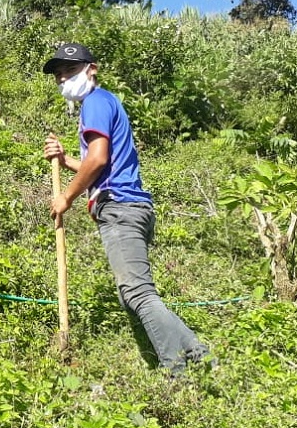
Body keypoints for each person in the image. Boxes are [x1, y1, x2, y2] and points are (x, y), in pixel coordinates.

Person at [41, 42, 210, 376]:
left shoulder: (96, 103)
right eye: (59, 75)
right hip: (130, 205)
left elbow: (98, 159)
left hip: (119, 208)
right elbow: (99, 165)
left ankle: (179, 370)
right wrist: (65, 161)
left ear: (92, 69)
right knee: (131, 293)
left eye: (70, 71)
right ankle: (196, 356)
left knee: (137, 293)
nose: (63, 79)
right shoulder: (103, 104)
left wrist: (67, 198)